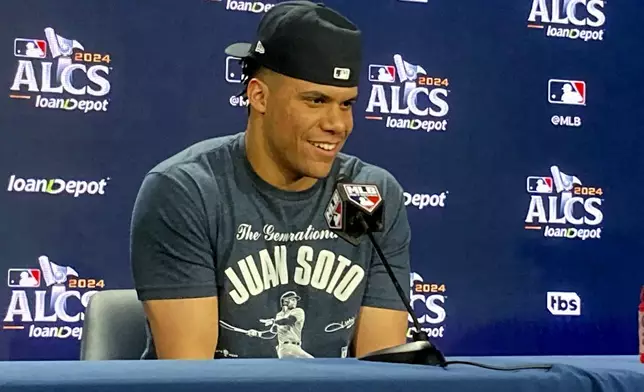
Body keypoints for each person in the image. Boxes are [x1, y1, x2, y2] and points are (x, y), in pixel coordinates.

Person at [130, 0, 412, 360]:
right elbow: (192, 378)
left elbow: (381, 372)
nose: (338, 124)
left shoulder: (366, 192)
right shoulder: (187, 191)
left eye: (346, 104)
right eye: (316, 100)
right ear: (259, 96)